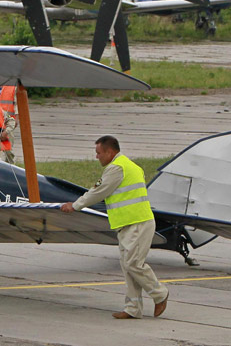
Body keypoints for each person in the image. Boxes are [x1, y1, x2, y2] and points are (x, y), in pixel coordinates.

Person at [60, 135, 169, 319]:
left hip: (137, 222)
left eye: (98, 153)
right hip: (127, 223)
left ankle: (160, 294)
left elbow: (98, 191)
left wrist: (76, 205)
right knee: (128, 266)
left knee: (133, 264)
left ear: (110, 152)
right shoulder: (130, 166)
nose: (96, 157)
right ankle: (133, 308)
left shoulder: (116, 168)